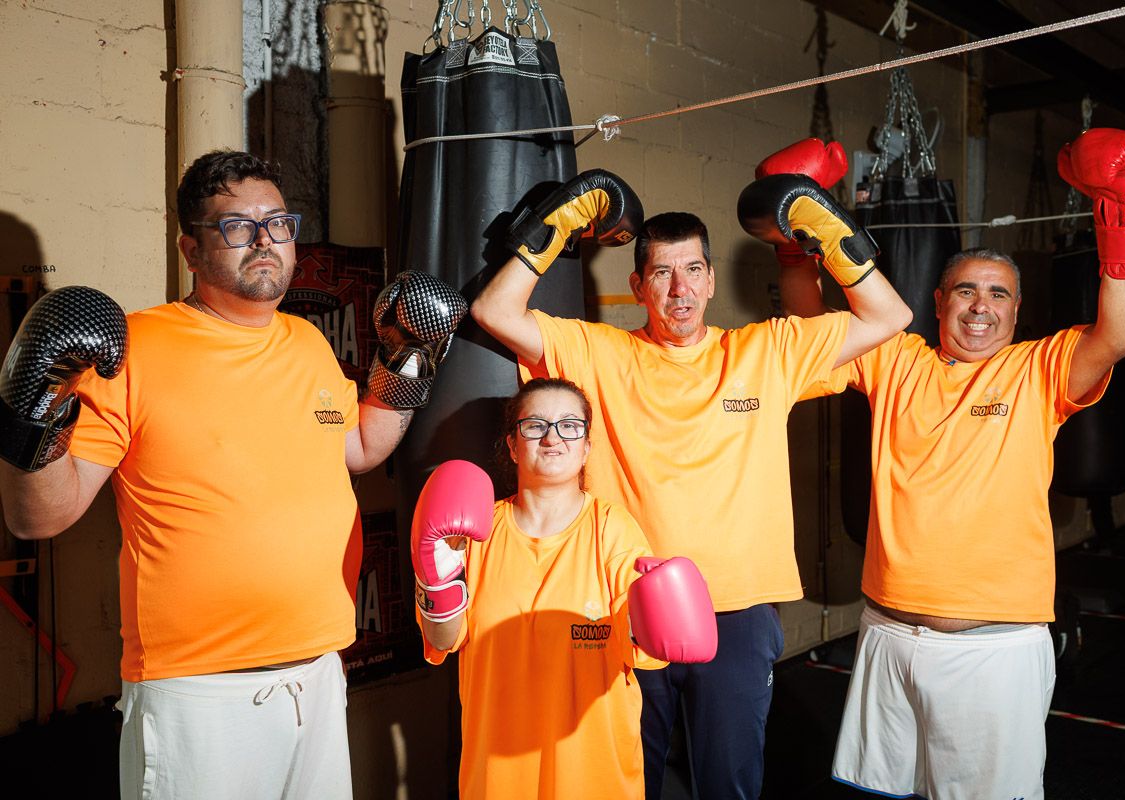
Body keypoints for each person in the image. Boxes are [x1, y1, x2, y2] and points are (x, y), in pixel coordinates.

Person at [0, 150, 466, 799]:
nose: (265, 240)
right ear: (191, 250)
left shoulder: (307, 343)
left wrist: (406, 358)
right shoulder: (137, 349)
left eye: (278, 223)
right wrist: (34, 410)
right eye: (238, 226)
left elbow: (360, 445)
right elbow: (39, 516)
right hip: (198, 694)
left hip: (318, 676)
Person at [471, 156, 912, 799]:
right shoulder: (601, 353)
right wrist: (557, 223)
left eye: (693, 271)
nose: (679, 289)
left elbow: (888, 317)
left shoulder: (765, 352)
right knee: (627, 783)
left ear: (709, 281)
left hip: (737, 610)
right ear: (638, 286)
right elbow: (494, 309)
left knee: (729, 784)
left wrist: (828, 228)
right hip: (625, 604)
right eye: (662, 273)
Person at [766, 127, 1125, 799]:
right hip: (887, 637)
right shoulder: (898, 360)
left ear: (1017, 310)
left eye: (998, 294)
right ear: (939, 301)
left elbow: (1123, 332)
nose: (981, 307)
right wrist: (790, 234)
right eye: (966, 291)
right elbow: (813, 328)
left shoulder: (1039, 368)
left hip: (992, 652)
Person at [414, 377, 716, 800]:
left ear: (586, 447)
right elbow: (442, 639)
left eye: (569, 426)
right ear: (513, 445)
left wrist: (656, 616)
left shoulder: (612, 529)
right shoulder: (478, 533)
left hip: (591, 773)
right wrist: (436, 577)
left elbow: (644, 644)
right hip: (498, 772)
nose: (552, 437)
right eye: (535, 425)